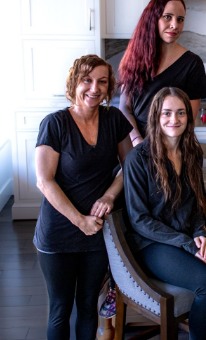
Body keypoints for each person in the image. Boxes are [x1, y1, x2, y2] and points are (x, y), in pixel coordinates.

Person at [124, 87, 206, 340]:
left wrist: (201, 235)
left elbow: (196, 206)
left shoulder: (192, 153)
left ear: (188, 118)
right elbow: (139, 219)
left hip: (188, 236)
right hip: (152, 244)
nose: (174, 120)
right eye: (167, 113)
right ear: (156, 116)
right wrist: (189, 245)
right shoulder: (138, 158)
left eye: (180, 113)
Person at [34, 55, 133, 340]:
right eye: (87, 80)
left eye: (102, 81)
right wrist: (80, 221)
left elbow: (131, 168)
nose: (94, 88)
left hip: (98, 231)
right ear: (74, 82)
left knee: (90, 305)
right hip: (59, 232)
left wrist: (110, 195)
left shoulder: (114, 119)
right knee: (60, 309)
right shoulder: (55, 123)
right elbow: (44, 180)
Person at [118, 0, 206, 147]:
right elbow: (125, 108)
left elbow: (188, 121)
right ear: (153, 19)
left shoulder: (193, 64)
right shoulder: (135, 56)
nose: (175, 25)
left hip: (171, 147)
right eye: (167, 17)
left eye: (180, 19)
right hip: (134, 143)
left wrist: (163, 149)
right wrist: (137, 140)